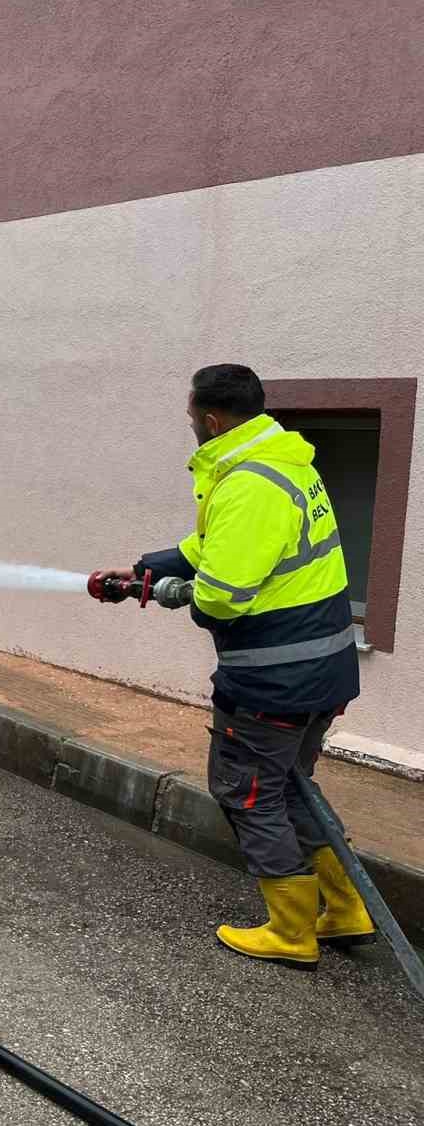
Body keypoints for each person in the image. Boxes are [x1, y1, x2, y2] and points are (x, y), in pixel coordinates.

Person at [102, 364, 370, 970]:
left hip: (273, 682)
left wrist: (174, 593)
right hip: (322, 672)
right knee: (290, 786)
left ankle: (291, 931)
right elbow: (214, 548)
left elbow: (222, 592)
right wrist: (147, 567)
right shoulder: (282, 464)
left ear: (211, 418)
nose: (191, 426)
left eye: (191, 416)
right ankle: (345, 908)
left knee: (246, 793)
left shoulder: (248, 484)